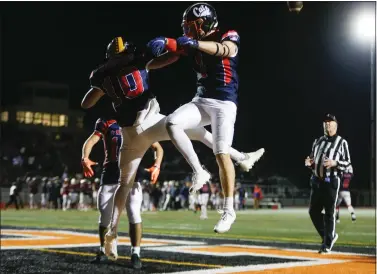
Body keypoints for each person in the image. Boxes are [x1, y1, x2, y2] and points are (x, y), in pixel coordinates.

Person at [81, 36, 261, 260]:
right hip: (147, 123)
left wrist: (102, 87)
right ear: (125, 51)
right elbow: (169, 57)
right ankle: (233, 159)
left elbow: (86, 103)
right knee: (188, 129)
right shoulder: (137, 58)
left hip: (128, 133)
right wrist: (175, 47)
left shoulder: (102, 74)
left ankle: (112, 233)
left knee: (124, 185)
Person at [147, 2, 265, 233]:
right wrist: (156, 54)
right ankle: (199, 170)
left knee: (221, 152)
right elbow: (155, 64)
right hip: (201, 100)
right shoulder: (191, 43)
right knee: (173, 123)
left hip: (224, 102)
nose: (188, 30)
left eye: (192, 26)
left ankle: (229, 210)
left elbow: (226, 50)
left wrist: (195, 43)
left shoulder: (227, 34)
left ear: (205, 23)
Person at [81, 117, 163, 269]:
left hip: (132, 173)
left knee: (134, 213)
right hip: (110, 173)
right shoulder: (106, 121)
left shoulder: (139, 122)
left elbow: (158, 147)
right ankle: (103, 251)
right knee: (104, 215)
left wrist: (157, 165)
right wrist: (85, 157)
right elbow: (91, 140)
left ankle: (135, 253)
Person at [305, 114, 351, 254]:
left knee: (329, 213)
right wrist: (309, 163)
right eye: (325, 123)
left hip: (331, 181)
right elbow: (312, 159)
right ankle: (329, 236)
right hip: (316, 181)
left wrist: (334, 163)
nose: (327, 125)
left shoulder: (342, 142)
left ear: (336, 125)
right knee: (313, 212)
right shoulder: (317, 141)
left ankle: (327, 244)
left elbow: (348, 163)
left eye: (330, 123)